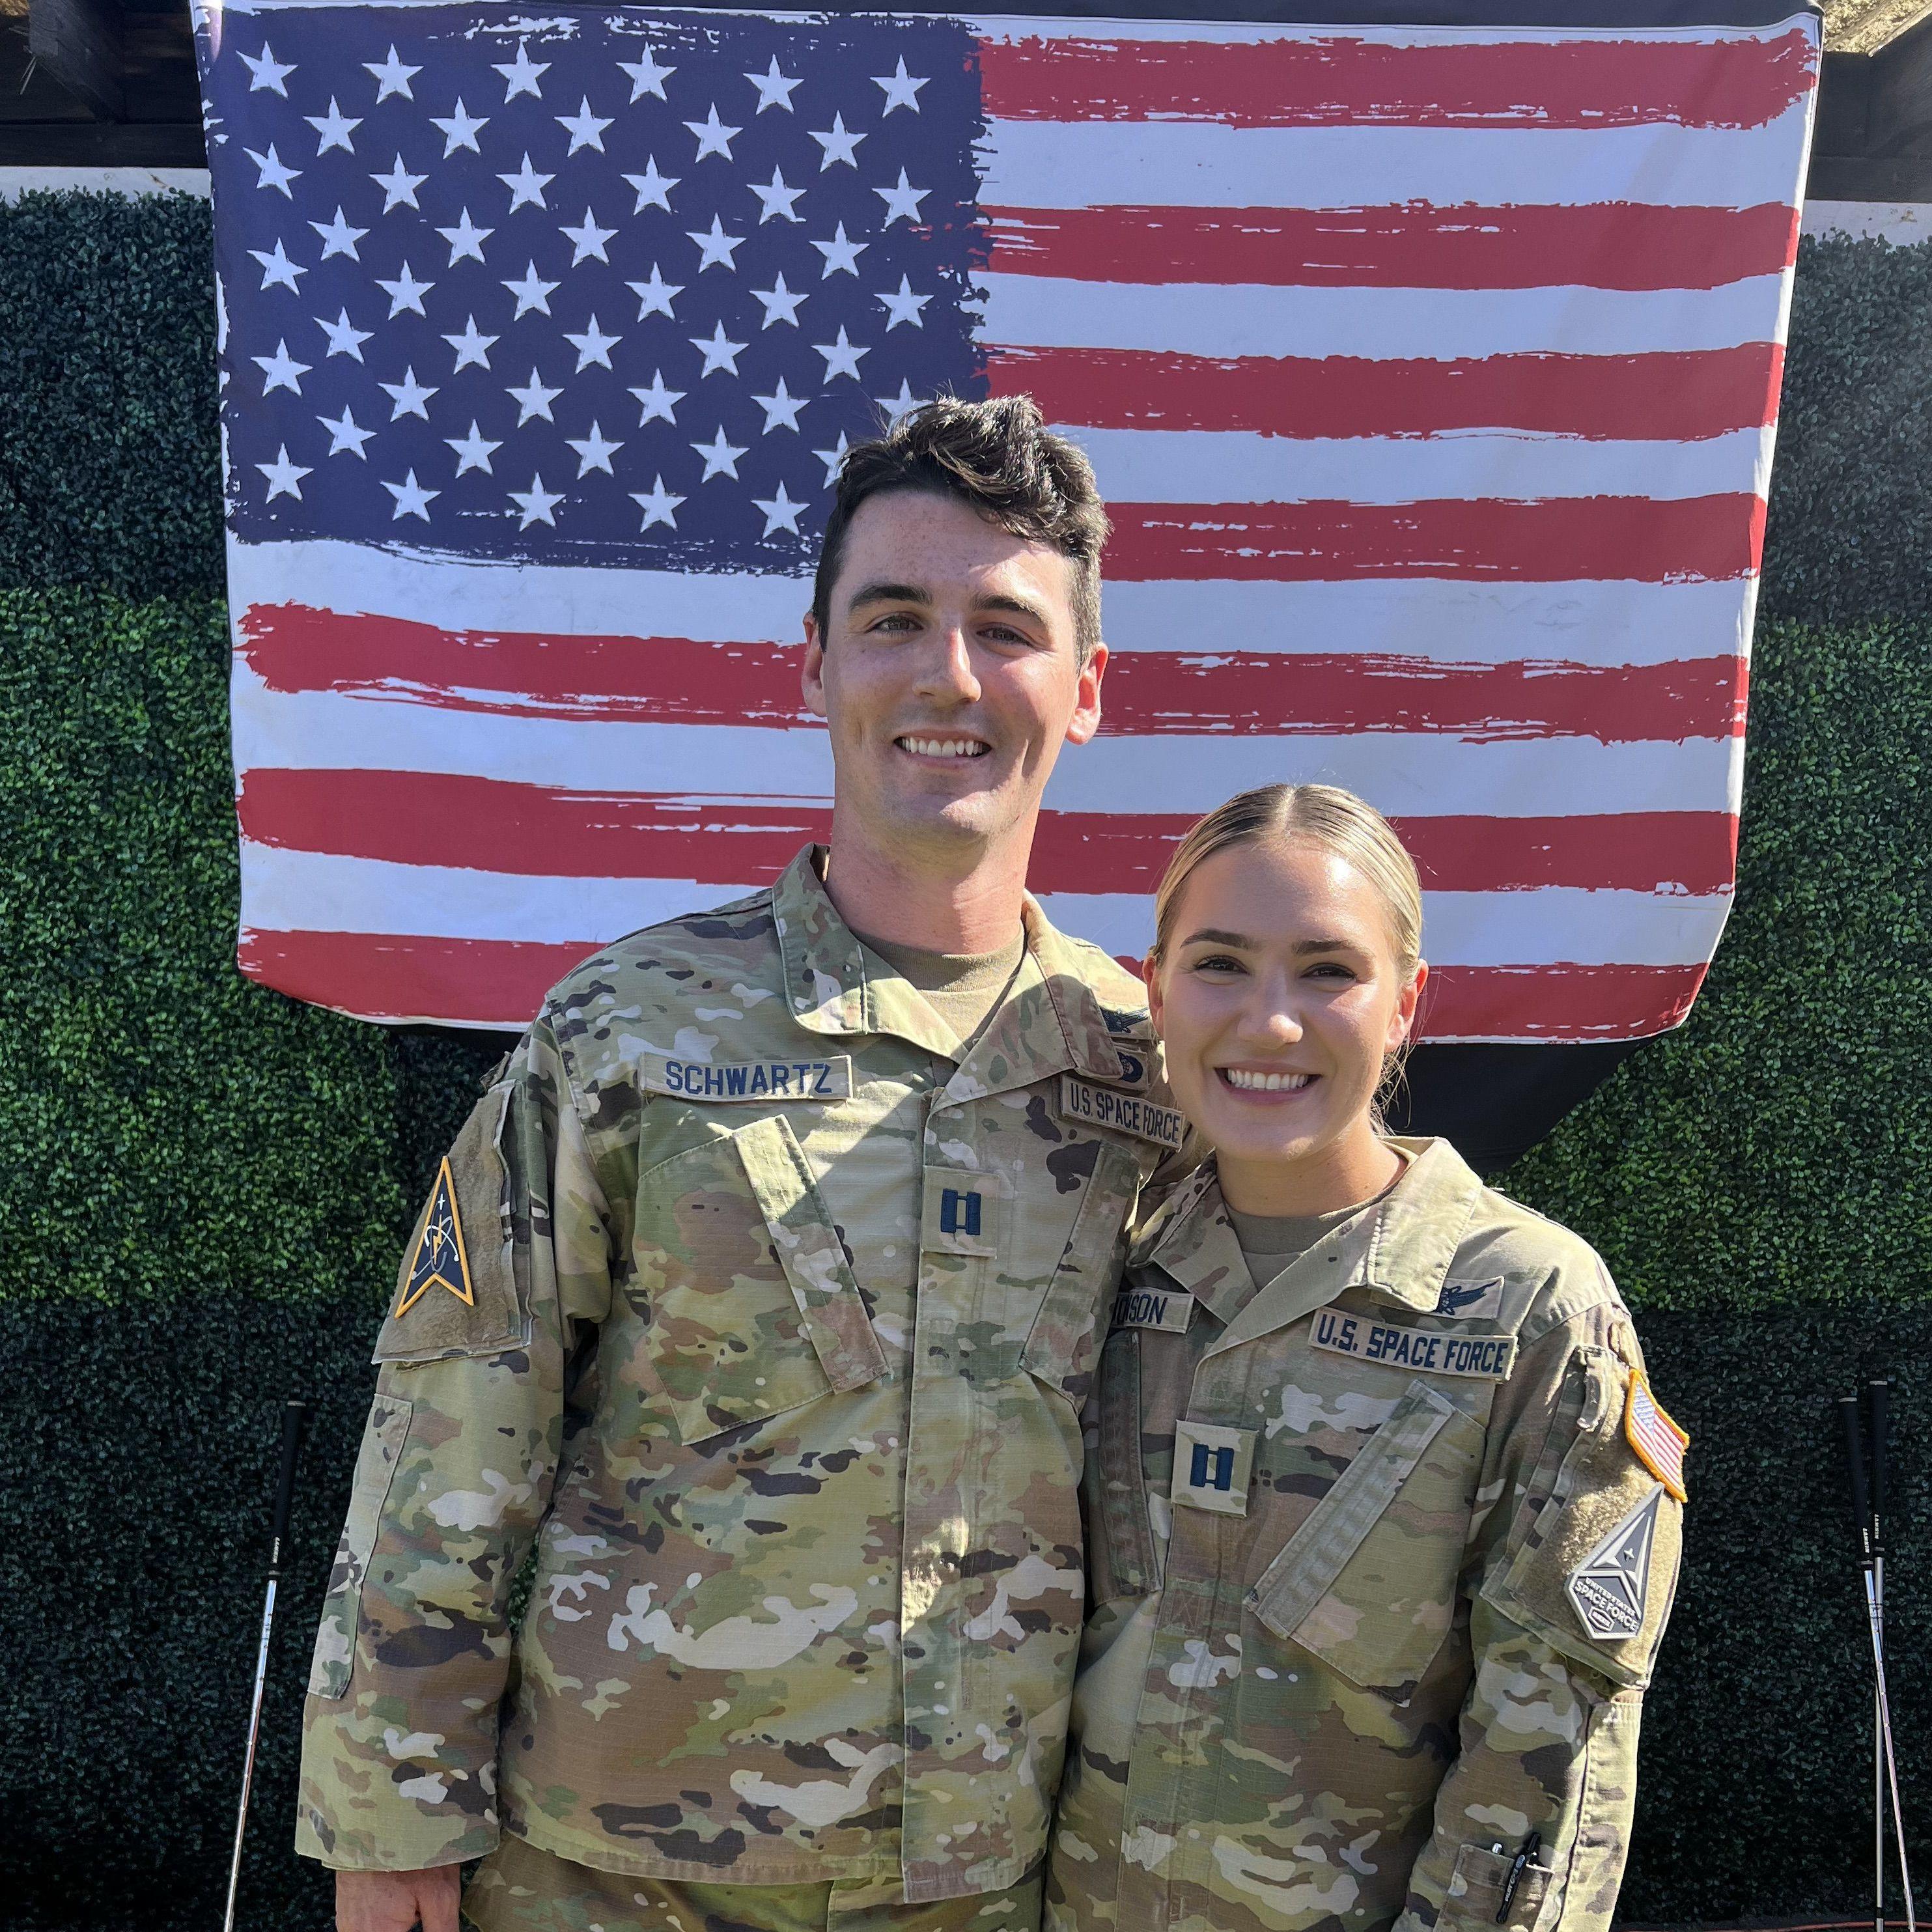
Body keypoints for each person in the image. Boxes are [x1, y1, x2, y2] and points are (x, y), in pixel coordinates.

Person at [297, 397, 1188, 1932]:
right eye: (893, 617)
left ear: (1087, 687)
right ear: (815, 664)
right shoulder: (624, 1031)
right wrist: (389, 1819)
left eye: (1005, 626)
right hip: (617, 1880)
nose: (948, 673)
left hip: (988, 1878)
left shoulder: (1150, 1071)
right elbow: (449, 1433)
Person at [1047, 784, 1687, 1932]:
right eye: (1221, 964)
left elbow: (1550, 1759)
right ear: (1155, 990)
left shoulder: (1528, 1312)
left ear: (1405, 1006)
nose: (1272, 1021)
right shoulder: (1101, 1269)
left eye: (1329, 971)